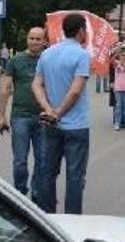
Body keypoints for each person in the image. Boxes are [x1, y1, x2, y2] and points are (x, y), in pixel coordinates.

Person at [31, 13, 91, 214]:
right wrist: (59, 112)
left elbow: (36, 84)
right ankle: (72, 219)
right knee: (74, 176)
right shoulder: (82, 55)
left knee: (47, 173)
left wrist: (48, 109)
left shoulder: (47, 54)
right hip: (76, 126)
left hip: (51, 124)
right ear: (81, 31)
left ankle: (47, 218)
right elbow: (75, 90)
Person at [0, 27, 46, 198]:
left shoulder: (48, 60)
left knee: (42, 160)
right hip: (20, 117)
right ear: (27, 39)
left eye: (38, 39)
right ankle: (20, 194)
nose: (34, 42)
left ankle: (37, 194)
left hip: (43, 118)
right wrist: (0, 115)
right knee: (20, 161)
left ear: (44, 41)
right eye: (32, 38)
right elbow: (5, 89)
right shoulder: (15, 60)